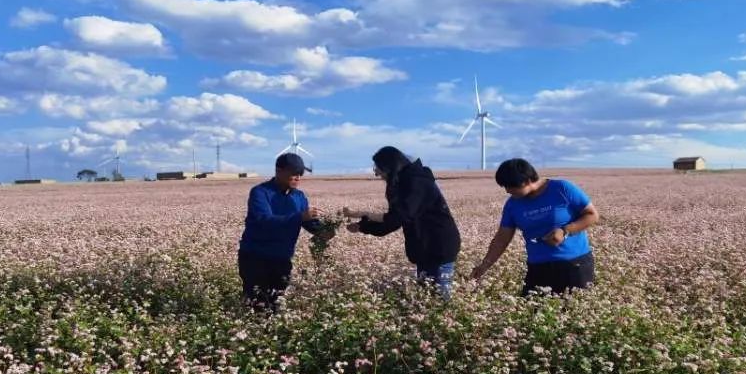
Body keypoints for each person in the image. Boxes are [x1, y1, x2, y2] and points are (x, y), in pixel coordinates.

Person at [343, 146, 461, 298]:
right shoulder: (405, 182)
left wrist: (363, 215)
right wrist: (362, 226)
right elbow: (391, 222)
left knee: (438, 301)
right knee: (426, 300)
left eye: (378, 167)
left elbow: (397, 217)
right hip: (425, 248)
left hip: (438, 247)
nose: (376, 172)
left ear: (389, 166)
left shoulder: (416, 182)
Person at [471, 158, 599, 295]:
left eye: (510, 186)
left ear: (526, 181)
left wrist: (565, 231)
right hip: (538, 268)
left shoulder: (562, 188)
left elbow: (592, 215)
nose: (507, 191)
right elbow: (502, 238)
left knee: (573, 312)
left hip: (574, 265)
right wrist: (484, 265)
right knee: (532, 313)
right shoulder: (512, 204)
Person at [238, 153, 333, 310]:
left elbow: (308, 222)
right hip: (255, 258)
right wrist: (300, 216)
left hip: (282, 259)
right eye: (293, 173)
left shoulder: (299, 196)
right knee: (257, 305)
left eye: (300, 174)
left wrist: (324, 231)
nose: (297, 177)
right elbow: (264, 220)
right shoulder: (260, 192)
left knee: (277, 304)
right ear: (278, 171)